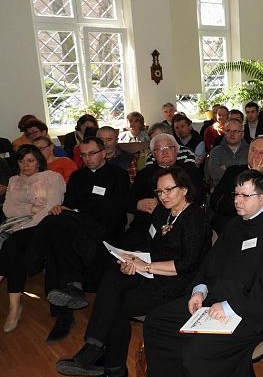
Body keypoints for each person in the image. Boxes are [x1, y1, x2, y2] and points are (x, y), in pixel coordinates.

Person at [56, 166, 212, 377]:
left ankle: (110, 365)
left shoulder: (195, 218)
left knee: (116, 308)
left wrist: (144, 266)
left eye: (169, 190)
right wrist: (131, 259)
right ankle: (95, 347)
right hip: (151, 270)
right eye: (159, 192)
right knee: (112, 276)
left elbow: (187, 265)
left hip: (178, 283)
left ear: (184, 189)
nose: (163, 196)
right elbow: (148, 244)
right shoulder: (161, 212)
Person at [143, 170, 263, 377]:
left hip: (253, 310)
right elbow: (211, 263)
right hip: (217, 298)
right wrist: (199, 290)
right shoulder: (236, 224)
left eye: (245, 196)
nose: (237, 201)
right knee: (157, 322)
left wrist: (230, 306)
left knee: (197, 353)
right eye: (236, 194)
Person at [35, 137, 131, 342]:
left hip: (105, 230)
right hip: (78, 229)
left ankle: (34, 257)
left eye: (92, 153)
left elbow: (114, 211)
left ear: (103, 152)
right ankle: (72, 289)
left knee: (57, 226)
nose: (88, 158)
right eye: (84, 154)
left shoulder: (118, 175)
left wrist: (77, 213)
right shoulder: (78, 177)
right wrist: (66, 210)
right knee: (58, 236)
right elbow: (69, 205)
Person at [0, 145, 65, 332]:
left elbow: (51, 207)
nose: (25, 165)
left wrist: (27, 221)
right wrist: (30, 209)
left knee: (13, 244)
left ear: (38, 161)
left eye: (30, 160)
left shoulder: (52, 178)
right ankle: (14, 307)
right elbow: (8, 210)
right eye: (21, 161)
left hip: (44, 226)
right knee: (15, 250)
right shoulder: (14, 180)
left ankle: (14, 308)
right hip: (17, 226)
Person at [210, 137, 263, 233]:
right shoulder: (233, 171)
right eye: (253, 150)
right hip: (228, 226)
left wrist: (255, 175)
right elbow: (217, 202)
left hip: (260, 229)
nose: (256, 155)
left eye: (262, 153)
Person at [207, 118, 248, 186]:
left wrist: (226, 169)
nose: (232, 134)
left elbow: (252, 174)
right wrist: (241, 172)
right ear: (224, 133)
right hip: (222, 192)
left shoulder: (250, 150)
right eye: (228, 130)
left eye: (235, 131)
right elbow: (215, 175)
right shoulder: (216, 151)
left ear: (242, 134)